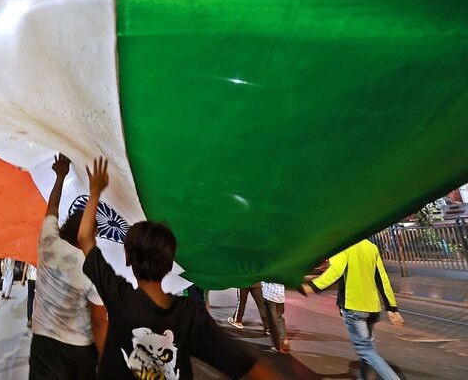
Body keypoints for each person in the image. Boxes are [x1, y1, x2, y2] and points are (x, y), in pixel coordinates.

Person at [78, 157, 279, 379]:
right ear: (169, 264)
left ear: (128, 259)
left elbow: (84, 237)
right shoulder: (189, 315)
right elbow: (245, 364)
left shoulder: (118, 296)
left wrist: (95, 191)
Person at [28, 154, 107, 380]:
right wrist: (106, 359)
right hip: (79, 351)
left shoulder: (48, 242)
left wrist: (60, 176)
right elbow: (99, 320)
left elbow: (53, 206)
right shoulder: (92, 267)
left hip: (43, 344)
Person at [302, 239, 404, 380]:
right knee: (367, 350)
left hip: (354, 308)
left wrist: (311, 287)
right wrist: (392, 308)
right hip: (372, 309)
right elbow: (382, 279)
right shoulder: (371, 247)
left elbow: (335, 272)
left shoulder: (343, 245)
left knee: (366, 350)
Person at [261, 282, 289, 354]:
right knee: (279, 317)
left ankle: (278, 346)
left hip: (269, 295)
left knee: (273, 321)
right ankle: (284, 340)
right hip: (280, 296)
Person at [21, 262, 37, 328]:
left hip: (30, 278)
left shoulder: (30, 256)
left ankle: (30, 319)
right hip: (38, 278)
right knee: (38, 300)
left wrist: (23, 279)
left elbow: (26, 265)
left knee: (30, 299)